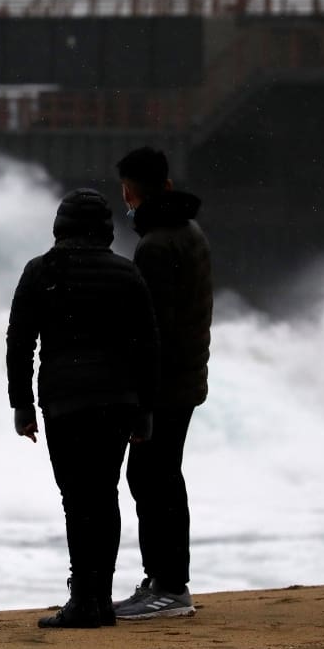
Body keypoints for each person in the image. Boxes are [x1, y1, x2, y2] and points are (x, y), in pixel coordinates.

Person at [6, 188, 159, 629]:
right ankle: (101, 599)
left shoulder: (40, 271)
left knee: (77, 499)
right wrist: (145, 409)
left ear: (60, 227)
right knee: (105, 495)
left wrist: (21, 406)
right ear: (106, 229)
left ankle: (83, 602)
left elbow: (20, 342)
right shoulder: (126, 274)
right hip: (117, 402)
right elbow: (148, 347)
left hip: (66, 402)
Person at [112, 147, 212, 621]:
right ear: (167, 186)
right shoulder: (190, 232)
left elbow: (149, 332)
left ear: (130, 192)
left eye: (125, 193)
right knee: (160, 475)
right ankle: (163, 581)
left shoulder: (154, 246)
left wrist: (139, 400)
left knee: (152, 477)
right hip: (187, 376)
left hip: (165, 384)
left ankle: (170, 588)